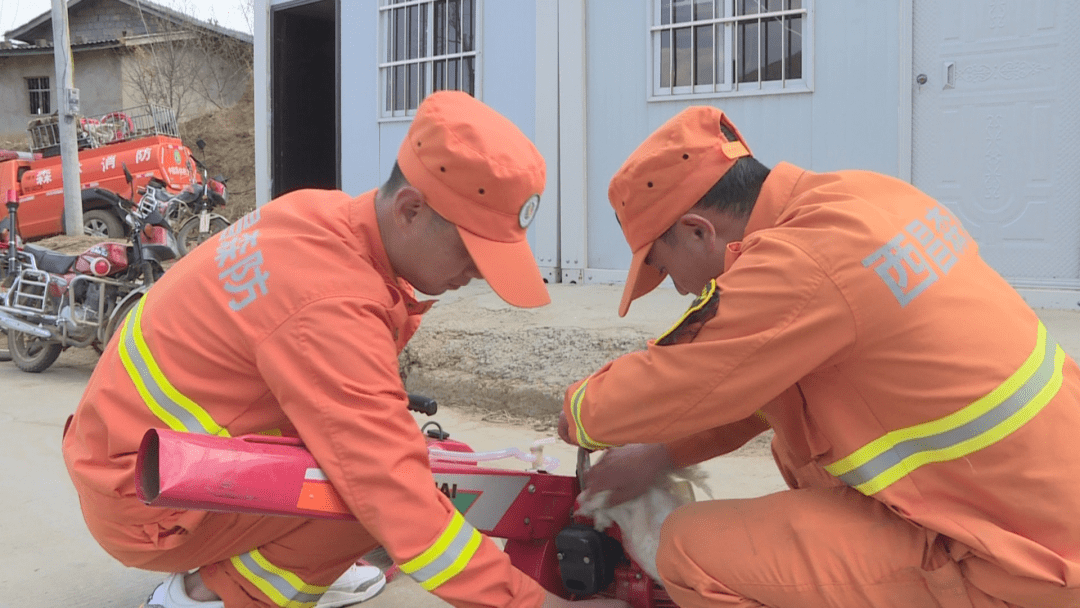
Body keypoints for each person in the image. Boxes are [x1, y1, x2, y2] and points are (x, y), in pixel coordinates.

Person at [63, 91, 627, 608]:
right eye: (473, 254)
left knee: (388, 458)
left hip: (132, 459)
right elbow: (394, 493)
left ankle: (297, 555)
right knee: (372, 498)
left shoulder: (319, 216)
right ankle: (206, 595)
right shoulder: (328, 300)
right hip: (149, 502)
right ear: (410, 210)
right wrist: (534, 605)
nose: (475, 276)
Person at [557, 105, 1080, 607]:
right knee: (799, 437)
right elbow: (768, 381)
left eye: (663, 266)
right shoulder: (868, 198)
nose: (676, 289)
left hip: (1017, 560)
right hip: (1036, 511)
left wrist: (577, 413)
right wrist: (664, 452)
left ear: (698, 231)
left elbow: (672, 381)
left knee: (691, 549)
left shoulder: (801, 264)